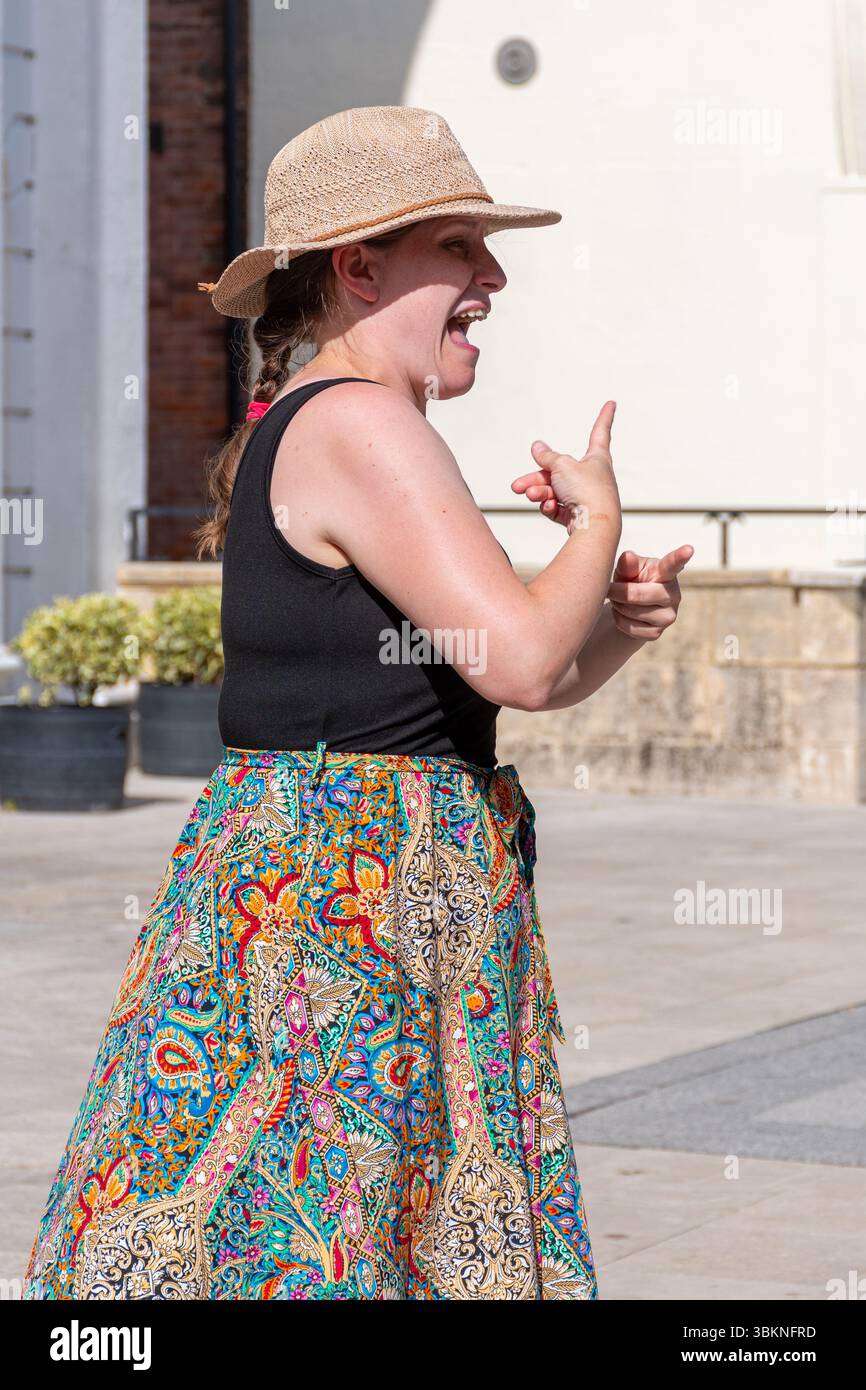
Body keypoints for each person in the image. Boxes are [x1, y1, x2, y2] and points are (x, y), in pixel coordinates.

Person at [24, 105, 692, 1301]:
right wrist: (594, 524)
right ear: (358, 268)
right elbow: (520, 665)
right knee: (321, 1221)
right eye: (460, 247)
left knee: (295, 1216)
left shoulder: (324, 421)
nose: (492, 275)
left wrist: (610, 626)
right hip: (354, 901)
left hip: (340, 887)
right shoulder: (363, 422)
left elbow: (474, 685)